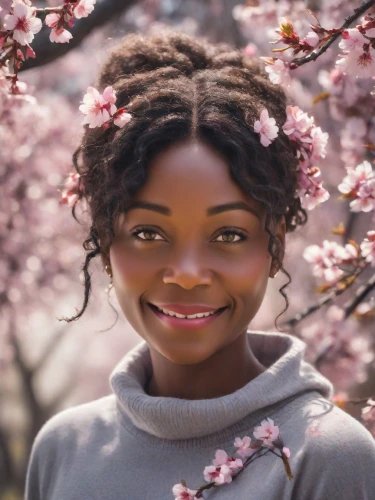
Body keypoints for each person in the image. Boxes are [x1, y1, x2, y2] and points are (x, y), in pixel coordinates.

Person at [25, 31, 375, 500]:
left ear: (275, 247)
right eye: (148, 234)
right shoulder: (62, 450)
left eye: (229, 235)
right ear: (106, 242)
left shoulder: (327, 457)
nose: (187, 272)